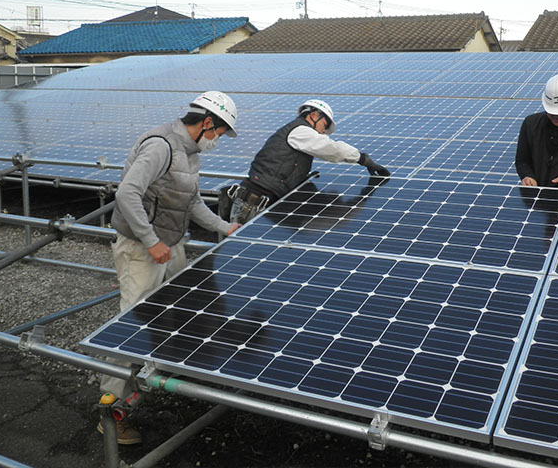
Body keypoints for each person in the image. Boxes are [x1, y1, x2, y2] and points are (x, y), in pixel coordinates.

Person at [98, 91, 241, 444]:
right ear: (207, 122)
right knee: (132, 323)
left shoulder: (190, 153)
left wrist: (225, 227)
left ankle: (161, 371)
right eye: (220, 132)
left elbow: (192, 202)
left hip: (170, 243)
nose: (218, 140)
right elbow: (127, 193)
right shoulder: (161, 146)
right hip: (141, 248)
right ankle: (110, 410)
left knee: (184, 302)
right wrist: (150, 241)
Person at [227, 99, 390, 224]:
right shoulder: (300, 131)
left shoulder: (297, 132)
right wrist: (363, 159)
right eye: (324, 125)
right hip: (253, 204)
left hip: (262, 202)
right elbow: (332, 149)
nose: (324, 132)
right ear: (313, 115)